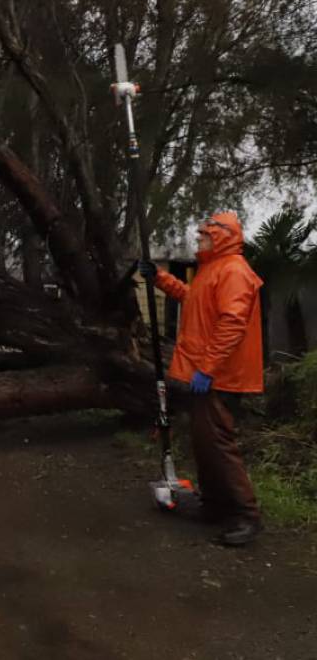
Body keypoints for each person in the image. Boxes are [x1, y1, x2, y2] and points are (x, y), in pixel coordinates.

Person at [141, 212, 264, 546]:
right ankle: (214, 506)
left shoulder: (234, 271)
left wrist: (208, 368)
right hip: (206, 374)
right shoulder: (213, 269)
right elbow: (192, 299)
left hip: (220, 377)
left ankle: (246, 516)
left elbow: (232, 323)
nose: (198, 240)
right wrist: (160, 279)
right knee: (205, 444)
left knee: (219, 445)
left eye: (203, 235)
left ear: (221, 236)